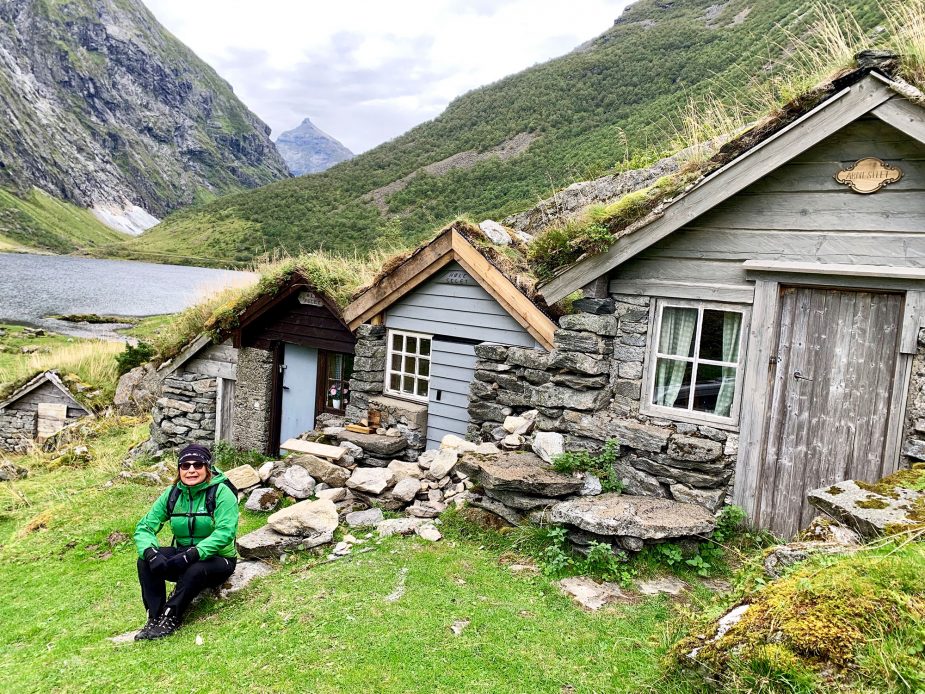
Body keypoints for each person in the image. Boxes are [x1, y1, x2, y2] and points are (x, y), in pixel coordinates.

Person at [133, 444, 239, 640]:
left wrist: (193, 554)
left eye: (197, 465)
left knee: (195, 569)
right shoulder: (173, 493)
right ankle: (154, 617)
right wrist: (150, 552)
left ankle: (171, 616)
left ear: (207, 468)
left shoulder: (221, 492)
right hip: (183, 555)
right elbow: (145, 527)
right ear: (179, 469)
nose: (191, 470)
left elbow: (225, 532)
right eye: (185, 465)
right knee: (145, 561)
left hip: (218, 559)